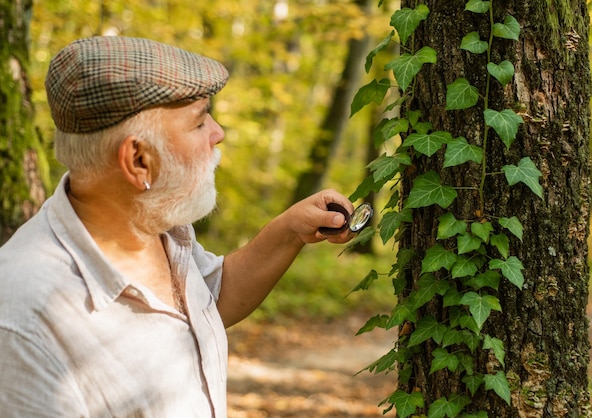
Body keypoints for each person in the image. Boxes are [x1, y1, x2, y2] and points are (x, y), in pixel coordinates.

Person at [0, 36, 354, 417]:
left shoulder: (151, 223)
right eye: (199, 121)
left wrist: (288, 231)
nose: (218, 132)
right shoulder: (23, 324)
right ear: (138, 161)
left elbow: (211, 298)